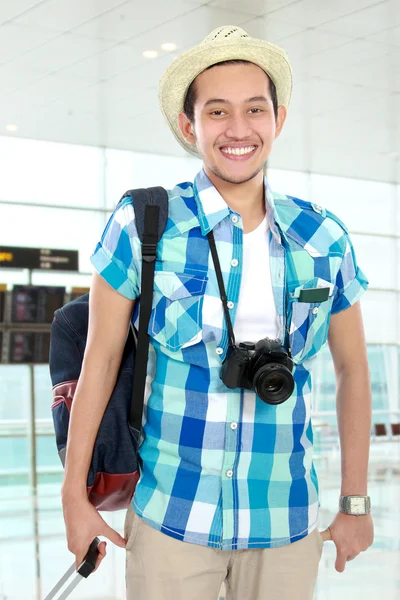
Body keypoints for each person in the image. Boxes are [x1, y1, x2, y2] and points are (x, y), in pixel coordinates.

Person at [61, 26, 374, 600]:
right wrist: (73, 501)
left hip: (285, 518)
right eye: (218, 111)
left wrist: (355, 503)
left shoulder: (323, 237)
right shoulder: (143, 224)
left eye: (255, 109)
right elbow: (99, 362)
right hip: (172, 516)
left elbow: (353, 369)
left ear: (277, 118)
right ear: (191, 125)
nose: (238, 129)